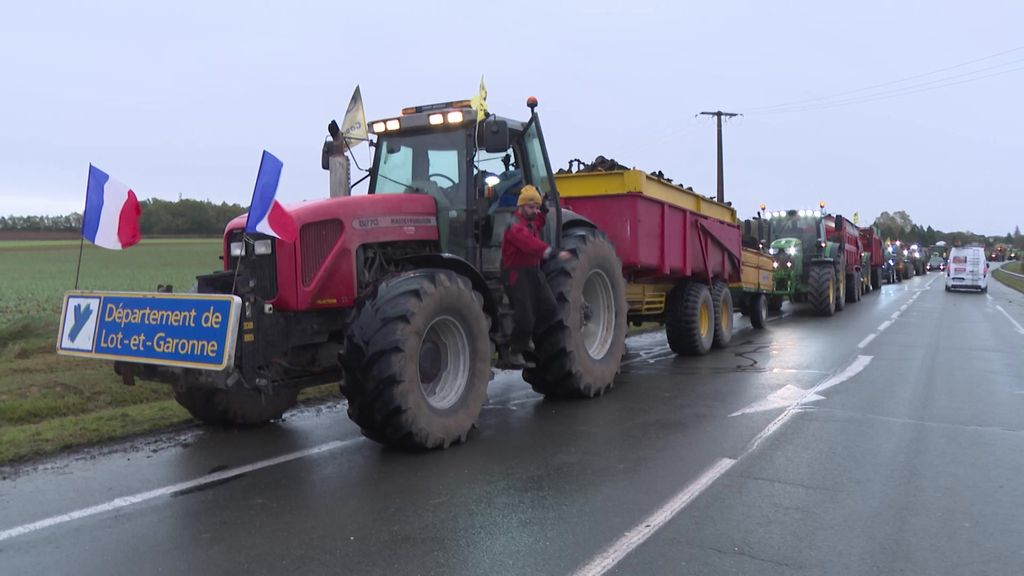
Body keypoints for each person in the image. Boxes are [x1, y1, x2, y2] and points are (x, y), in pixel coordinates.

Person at [501, 184, 571, 368]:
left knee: (550, 308)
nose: (535, 211)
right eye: (531, 207)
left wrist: (545, 210)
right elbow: (531, 245)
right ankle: (514, 352)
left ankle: (529, 338)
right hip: (517, 273)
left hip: (533, 271)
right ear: (521, 206)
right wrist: (554, 253)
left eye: (537, 207)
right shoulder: (515, 228)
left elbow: (538, 222)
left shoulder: (529, 221)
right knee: (525, 317)